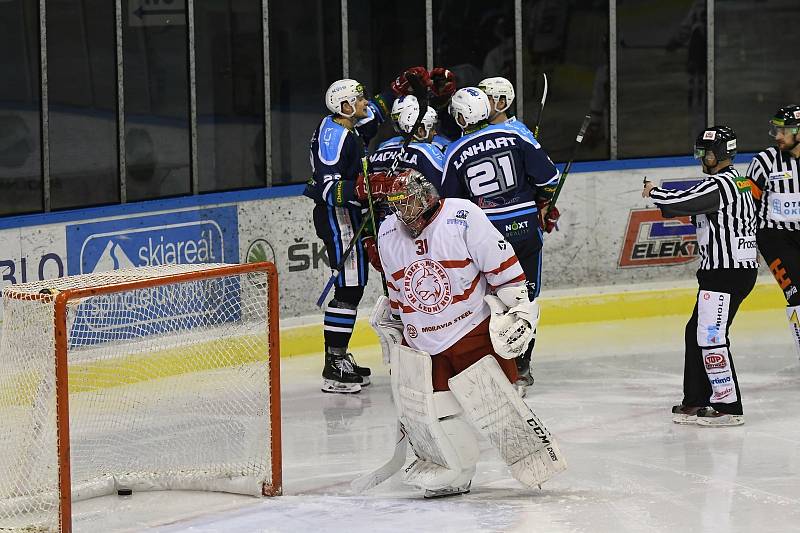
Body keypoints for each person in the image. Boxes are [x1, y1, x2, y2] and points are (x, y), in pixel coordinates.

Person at [369, 169, 565, 498]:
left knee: (498, 411)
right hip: (422, 346)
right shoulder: (388, 231)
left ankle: (532, 462)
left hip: (471, 333)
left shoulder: (462, 216)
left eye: (406, 202)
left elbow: (502, 267)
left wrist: (518, 309)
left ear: (424, 196)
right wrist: (396, 323)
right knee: (432, 416)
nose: (402, 211)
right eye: (395, 205)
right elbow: (397, 288)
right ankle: (454, 471)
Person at [439, 87, 561, 391]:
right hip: (524, 232)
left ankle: (491, 363)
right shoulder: (516, 135)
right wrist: (543, 203)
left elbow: (449, 204)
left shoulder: (454, 151)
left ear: (461, 117)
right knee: (525, 297)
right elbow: (549, 179)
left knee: (487, 299)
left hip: (487, 237)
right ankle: (522, 365)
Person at [643, 126, 757, 427]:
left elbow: (678, 203)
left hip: (725, 272)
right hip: (732, 271)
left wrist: (653, 191)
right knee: (696, 332)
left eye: (705, 152)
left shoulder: (719, 185)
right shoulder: (741, 182)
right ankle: (696, 399)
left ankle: (728, 406)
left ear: (720, 154)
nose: (701, 158)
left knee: (710, 336)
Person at [304, 78, 393, 394]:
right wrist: (365, 189)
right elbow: (328, 189)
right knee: (349, 289)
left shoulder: (344, 127)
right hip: (337, 217)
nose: (365, 102)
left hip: (348, 216)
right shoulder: (334, 138)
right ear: (344, 106)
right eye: (359, 98)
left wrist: (396, 89)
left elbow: (373, 118)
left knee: (352, 287)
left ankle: (338, 358)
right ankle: (334, 364)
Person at [746, 104, 800, 359]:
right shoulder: (764, 161)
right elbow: (746, 207)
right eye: (775, 130)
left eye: (784, 131)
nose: (777, 136)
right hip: (775, 238)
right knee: (798, 296)